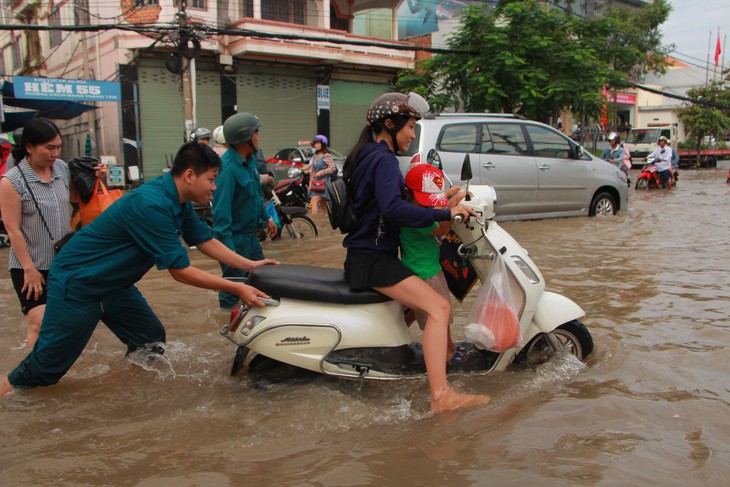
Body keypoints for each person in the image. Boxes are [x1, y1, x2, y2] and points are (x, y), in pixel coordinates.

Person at [0, 141, 277, 398]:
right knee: (45, 370)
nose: (214, 187)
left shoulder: (178, 202)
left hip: (114, 285)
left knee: (149, 339)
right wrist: (236, 286)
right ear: (190, 176)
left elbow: (204, 240)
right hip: (80, 283)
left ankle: (124, 393)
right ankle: (7, 391)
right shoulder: (152, 204)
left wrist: (249, 264)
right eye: (212, 179)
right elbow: (180, 271)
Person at [342, 91, 489, 414]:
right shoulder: (382, 159)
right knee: (438, 308)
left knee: (417, 305)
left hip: (366, 255)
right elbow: (394, 210)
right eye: (409, 127)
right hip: (374, 260)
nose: (412, 134)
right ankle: (441, 396)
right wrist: (446, 215)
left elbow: (393, 204)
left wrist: (444, 202)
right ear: (389, 124)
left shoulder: (365, 154)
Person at [0, 118, 106, 349]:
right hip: (30, 265)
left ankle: (58, 370)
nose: (55, 153)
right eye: (49, 148)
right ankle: (31, 377)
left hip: (63, 261)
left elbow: (78, 199)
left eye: (58, 147)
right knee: (39, 322)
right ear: (29, 147)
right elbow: (13, 229)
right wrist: (30, 270)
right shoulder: (12, 182)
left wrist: (96, 177)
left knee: (67, 321)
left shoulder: (61, 169)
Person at [400, 163, 467, 366]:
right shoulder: (415, 218)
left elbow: (432, 204)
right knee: (440, 312)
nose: (427, 205)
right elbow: (441, 229)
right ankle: (446, 350)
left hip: (416, 268)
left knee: (415, 310)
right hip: (427, 273)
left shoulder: (408, 207)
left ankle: (396, 336)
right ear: (408, 193)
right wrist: (453, 205)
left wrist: (448, 195)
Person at [212, 112, 278, 309]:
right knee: (233, 288)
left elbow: (255, 196)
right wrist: (229, 255)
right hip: (234, 240)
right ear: (245, 137)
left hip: (251, 238)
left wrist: (267, 218)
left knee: (262, 279)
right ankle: (224, 322)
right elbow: (220, 218)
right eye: (256, 132)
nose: (259, 137)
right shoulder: (228, 169)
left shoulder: (249, 162)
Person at [302, 134, 336, 216]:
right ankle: (328, 222)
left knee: (313, 202)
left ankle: (314, 223)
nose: (316, 145)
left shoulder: (326, 156)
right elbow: (312, 169)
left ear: (323, 144)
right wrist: (304, 169)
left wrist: (321, 172)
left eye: (318, 143)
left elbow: (332, 168)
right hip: (316, 184)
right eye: (315, 143)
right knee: (323, 206)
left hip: (323, 184)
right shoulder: (315, 156)